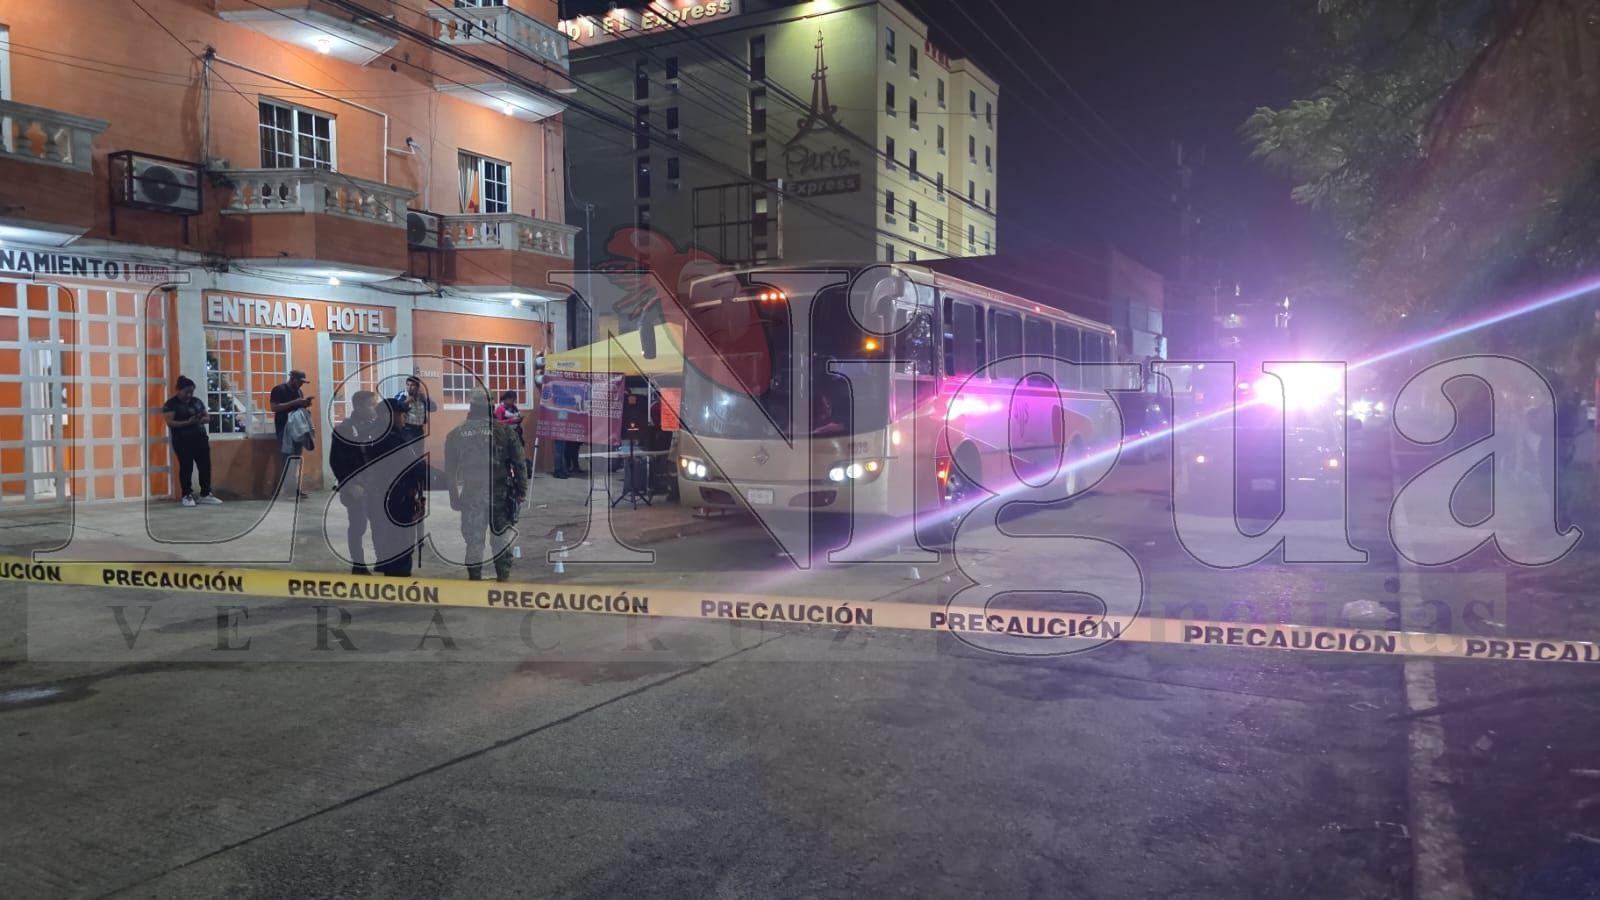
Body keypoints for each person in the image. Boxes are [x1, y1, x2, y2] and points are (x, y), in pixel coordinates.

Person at [446, 391, 528, 581]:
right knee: (501, 539)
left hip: (471, 493)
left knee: (474, 540)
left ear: (471, 407)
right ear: (491, 407)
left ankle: (474, 578)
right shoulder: (505, 431)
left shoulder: (456, 434)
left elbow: (450, 470)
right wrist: (521, 491)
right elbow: (519, 463)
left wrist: (453, 496)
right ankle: (503, 578)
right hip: (500, 493)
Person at [368, 397, 428, 577]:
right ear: (388, 416)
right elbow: (414, 467)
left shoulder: (378, 434)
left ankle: (389, 568)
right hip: (396, 496)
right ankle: (398, 575)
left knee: (388, 537)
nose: (404, 418)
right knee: (400, 540)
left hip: (387, 494)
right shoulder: (391, 439)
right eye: (401, 414)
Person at [330, 390, 380, 574]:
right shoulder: (345, 429)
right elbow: (336, 461)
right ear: (358, 407)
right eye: (371, 405)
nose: (375, 408)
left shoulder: (377, 427)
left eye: (376, 404)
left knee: (379, 525)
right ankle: (358, 565)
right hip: (357, 487)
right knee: (358, 526)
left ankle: (382, 560)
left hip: (375, 485)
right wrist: (350, 485)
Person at [162, 376, 222, 507]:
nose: (189, 395)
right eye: (186, 392)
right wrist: (187, 422)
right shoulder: (171, 404)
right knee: (186, 467)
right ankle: (186, 495)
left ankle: (205, 494)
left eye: (191, 392)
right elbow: (170, 422)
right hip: (182, 440)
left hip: (200, 438)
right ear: (178, 390)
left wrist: (199, 419)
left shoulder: (197, 402)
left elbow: (207, 417)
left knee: (205, 466)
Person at [270, 369, 314, 499]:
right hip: (284, 429)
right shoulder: (279, 389)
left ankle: (293, 489)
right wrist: (295, 402)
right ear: (292, 378)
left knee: (295, 460)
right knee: (287, 459)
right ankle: (288, 491)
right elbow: (274, 407)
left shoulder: (299, 392)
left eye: (303, 382)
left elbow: (297, 408)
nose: (301, 384)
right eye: (300, 381)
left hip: (297, 428)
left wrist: (305, 404)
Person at [493, 390, 532, 480]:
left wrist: (519, 420)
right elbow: (497, 423)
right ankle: (507, 474)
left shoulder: (514, 408)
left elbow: (516, 417)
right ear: (506, 399)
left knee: (517, 454)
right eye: (512, 400)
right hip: (505, 435)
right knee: (507, 456)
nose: (513, 402)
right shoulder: (500, 409)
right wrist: (511, 421)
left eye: (515, 400)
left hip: (516, 433)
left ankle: (518, 473)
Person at [394, 376, 437, 442]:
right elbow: (395, 407)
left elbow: (433, 408)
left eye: (412, 385)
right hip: (407, 429)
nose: (409, 387)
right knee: (409, 448)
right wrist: (407, 401)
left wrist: (426, 398)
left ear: (417, 387)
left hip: (419, 430)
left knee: (419, 448)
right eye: (407, 385)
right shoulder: (402, 395)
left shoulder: (422, 396)